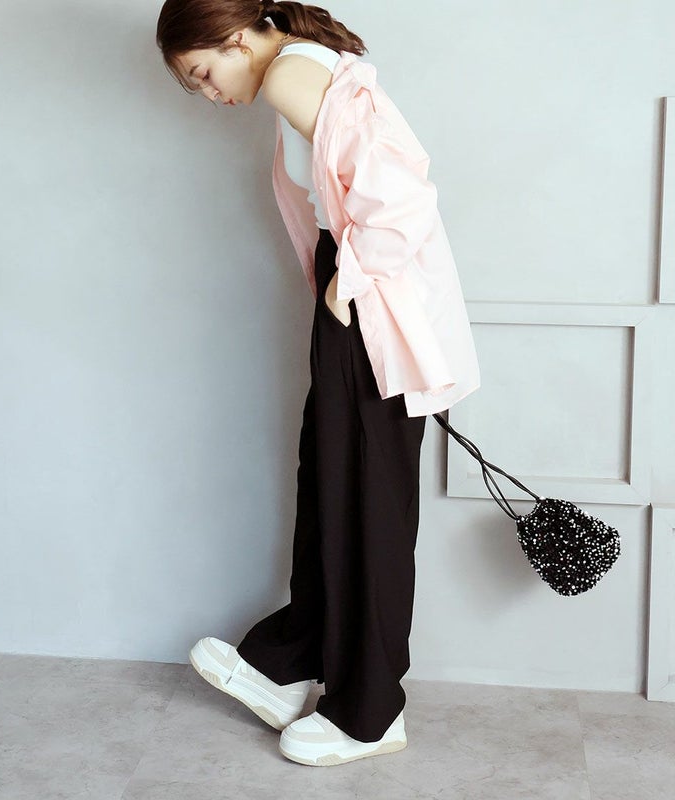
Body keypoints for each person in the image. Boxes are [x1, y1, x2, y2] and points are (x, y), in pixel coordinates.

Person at [156, 0, 480, 767]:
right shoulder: (303, 67)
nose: (211, 94)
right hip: (357, 293)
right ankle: (294, 661)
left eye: (204, 73)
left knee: (365, 502)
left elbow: (401, 204)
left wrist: (346, 284)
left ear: (238, 38)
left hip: (369, 301)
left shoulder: (291, 76)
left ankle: (370, 713)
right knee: (334, 485)